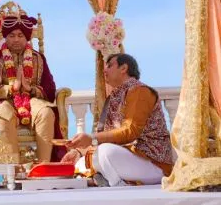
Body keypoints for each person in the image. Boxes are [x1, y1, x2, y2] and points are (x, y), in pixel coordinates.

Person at [63, 53, 174, 186]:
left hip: (152, 163)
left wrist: (91, 138)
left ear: (123, 68)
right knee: (81, 162)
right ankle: (105, 179)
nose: (105, 70)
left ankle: (114, 182)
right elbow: (108, 136)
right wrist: (79, 152)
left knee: (105, 152)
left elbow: (130, 131)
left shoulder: (140, 91)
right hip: (128, 159)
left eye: (110, 66)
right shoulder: (115, 96)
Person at [0, 11, 65, 162]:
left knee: (46, 113)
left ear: (27, 38)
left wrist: (30, 89)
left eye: (20, 35)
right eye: (12, 35)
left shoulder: (38, 58)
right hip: (5, 100)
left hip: (32, 99)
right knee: (3, 115)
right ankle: (13, 168)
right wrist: (10, 88)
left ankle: (44, 166)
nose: (16, 39)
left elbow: (50, 87)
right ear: (5, 37)